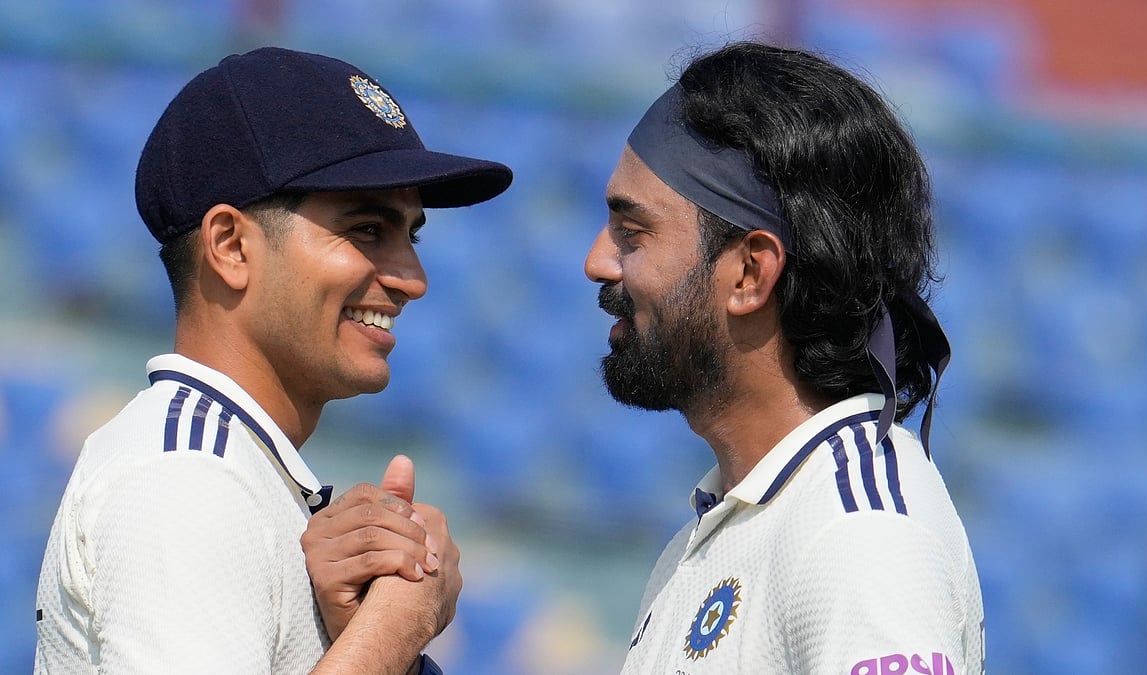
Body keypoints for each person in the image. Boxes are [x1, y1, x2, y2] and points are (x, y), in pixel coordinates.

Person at [34, 47, 512, 674]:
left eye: (411, 235)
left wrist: (367, 641)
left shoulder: (227, 464)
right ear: (231, 246)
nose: (412, 279)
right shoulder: (189, 474)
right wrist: (394, 628)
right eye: (368, 228)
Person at [584, 41, 984, 674]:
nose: (597, 262)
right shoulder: (726, 526)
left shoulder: (861, 535)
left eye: (631, 234)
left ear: (750, 272)